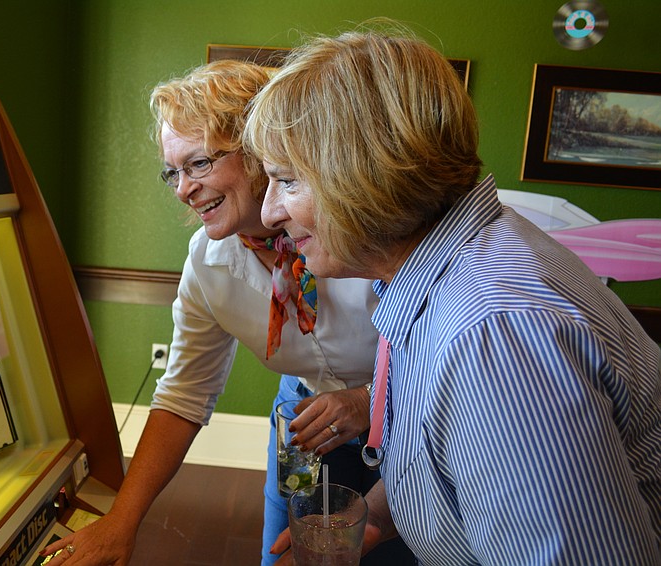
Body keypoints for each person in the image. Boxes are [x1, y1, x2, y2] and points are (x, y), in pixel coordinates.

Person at [243, 25, 661, 564]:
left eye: (288, 181)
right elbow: (446, 454)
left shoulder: (494, 336)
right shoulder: (439, 270)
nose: (270, 213)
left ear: (366, 175)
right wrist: (369, 520)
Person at [42, 60, 414, 564]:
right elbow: (183, 395)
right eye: (172, 171)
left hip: (413, 417)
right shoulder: (207, 261)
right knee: (285, 555)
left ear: (262, 148)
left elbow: (450, 369)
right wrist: (121, 523)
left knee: (388, 552)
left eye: (199, 164)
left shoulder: (360, 225)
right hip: (306, 418)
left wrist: (368, 400)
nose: (182, 188)